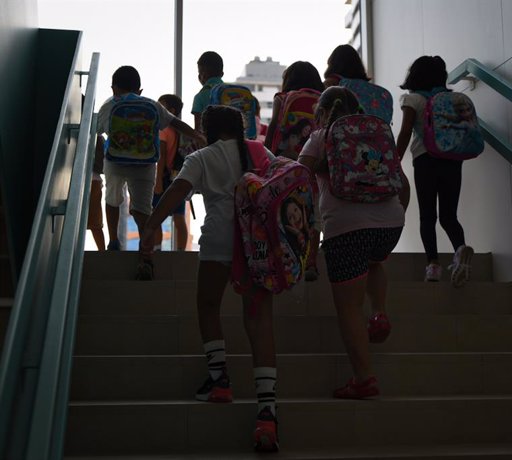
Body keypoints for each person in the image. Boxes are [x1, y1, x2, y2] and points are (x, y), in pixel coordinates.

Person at [139, 105, 280, 452]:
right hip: (258, 242)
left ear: (210, 129)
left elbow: (176, 192)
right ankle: (267, 411)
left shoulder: (202, 156)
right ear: (240, 128)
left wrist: (151, 227)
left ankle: (220, 381)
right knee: (259, 319)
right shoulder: (261, 152)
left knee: (208, 306)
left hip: (220, 238)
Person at [298, 86, 407, 399]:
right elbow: (402, 183)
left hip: (346, 228)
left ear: (322, 111)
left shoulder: (322, 135)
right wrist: (396, 215)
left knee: (348, 306)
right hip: (390, 222)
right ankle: (380, 312)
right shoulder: (376, 135)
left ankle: (363, 378)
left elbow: (299, 173)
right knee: (375, 262)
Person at [96, 66, 203, 280]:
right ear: (140, 89)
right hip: (145, 164)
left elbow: (98, 131)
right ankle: (146, 258)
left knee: (113, 199)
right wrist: (198, 136)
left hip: (116, 162)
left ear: (113, 87)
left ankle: (113, 242)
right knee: (143, 210)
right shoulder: (151, 104)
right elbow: (175, 122)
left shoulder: (109, 104)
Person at [396, 55, 474, 285]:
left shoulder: (413, 100)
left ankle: (433, 265)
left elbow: (405, 131)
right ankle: (460, 250)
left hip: (425, 160)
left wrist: (394, 160)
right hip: (452, 160)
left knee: (428, 216)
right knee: (449, 215)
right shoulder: (455, 98)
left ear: (415, 76)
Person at [265, 61, 324, 281]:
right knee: (314, 213)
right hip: (315, 163)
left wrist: (269, 157)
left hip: (286, 163)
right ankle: (311, 263)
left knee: (286, 208)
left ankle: (285, 259)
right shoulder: (323, 98)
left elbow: (273, 127)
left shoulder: (283, 97)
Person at [153, 94, 190, 251]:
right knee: (179, 217)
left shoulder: (163, 129)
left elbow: (160, 156)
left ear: (170, 110)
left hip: (164, 177)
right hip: (179, 177)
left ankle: (157, 249)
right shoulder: (180, 130)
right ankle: (181, 252)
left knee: (156, 217)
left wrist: (158, 181)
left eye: (161, 106)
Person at [192, 51, 224, 131]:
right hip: (237, 141)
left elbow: (198, 130)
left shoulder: (200, 96)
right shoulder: (232, 92)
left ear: (202, 75)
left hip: (212, 142)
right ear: (222, 74)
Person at [88, 135, 106, 251]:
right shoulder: (98, 137)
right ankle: (102, 252)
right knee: (95, 223)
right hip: (95, 179)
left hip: (91, 180)